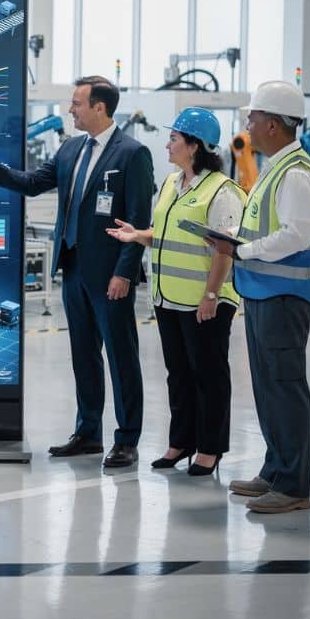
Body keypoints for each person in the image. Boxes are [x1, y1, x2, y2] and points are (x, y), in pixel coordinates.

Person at [0, 75, 154, 466]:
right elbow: (31, 183)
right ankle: (88, 432)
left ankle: (127, 439)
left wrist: (124, 273)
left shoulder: (133, 153)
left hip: (111, 274)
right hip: (75, 267)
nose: (70, 109)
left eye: (77, 103)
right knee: (84, 356)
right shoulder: (70, 149)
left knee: (121, 357)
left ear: (100, 107)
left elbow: (138, 218)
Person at [204, 81, 310, 515]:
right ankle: (276, 470)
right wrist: (234, 240)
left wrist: (242, 249)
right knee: (268, 388)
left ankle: (293, 486)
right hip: (262, 291)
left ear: (274, 123)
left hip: (284, 296)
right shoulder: (275, 167)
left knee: (284, 388)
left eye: (252, 117)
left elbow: (295, 235)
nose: (247, 125)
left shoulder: (295, 174)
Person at [107, 108, 245, 477]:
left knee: (208, 375)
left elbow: (224, 248)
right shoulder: (171, 184)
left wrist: (212, 296)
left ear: (195, 145)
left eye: (174, 139)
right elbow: (165, 232)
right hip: (168, 297)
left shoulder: (222, 191)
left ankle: (210, 448)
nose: (167, 144)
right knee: (178, 373)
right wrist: (137, 235)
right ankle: (180, 442)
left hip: (206, 300)